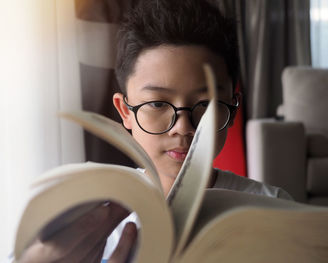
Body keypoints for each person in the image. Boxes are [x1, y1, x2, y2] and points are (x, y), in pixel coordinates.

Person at [13, 0, 292, 262]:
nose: (184, 128)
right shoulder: (87, 218)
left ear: (232, 107)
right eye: (158, 103)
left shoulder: (274, 206)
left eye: (205, 104)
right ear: (125, 112)